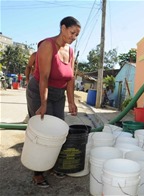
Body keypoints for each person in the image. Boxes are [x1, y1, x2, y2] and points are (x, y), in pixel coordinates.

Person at [26, 16, 81, 188]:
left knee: (58, 132)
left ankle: (50, 165)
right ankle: (38, 173)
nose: (74, 37)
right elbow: (44, 77)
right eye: (72, 33)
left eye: (77, 35)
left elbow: (70, 78)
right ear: (63, 28)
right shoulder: (47, 46)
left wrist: (71, 102)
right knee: (43, 131)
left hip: (58, 94)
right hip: (40, 91)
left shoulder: (70, 51)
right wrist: (43, 103)